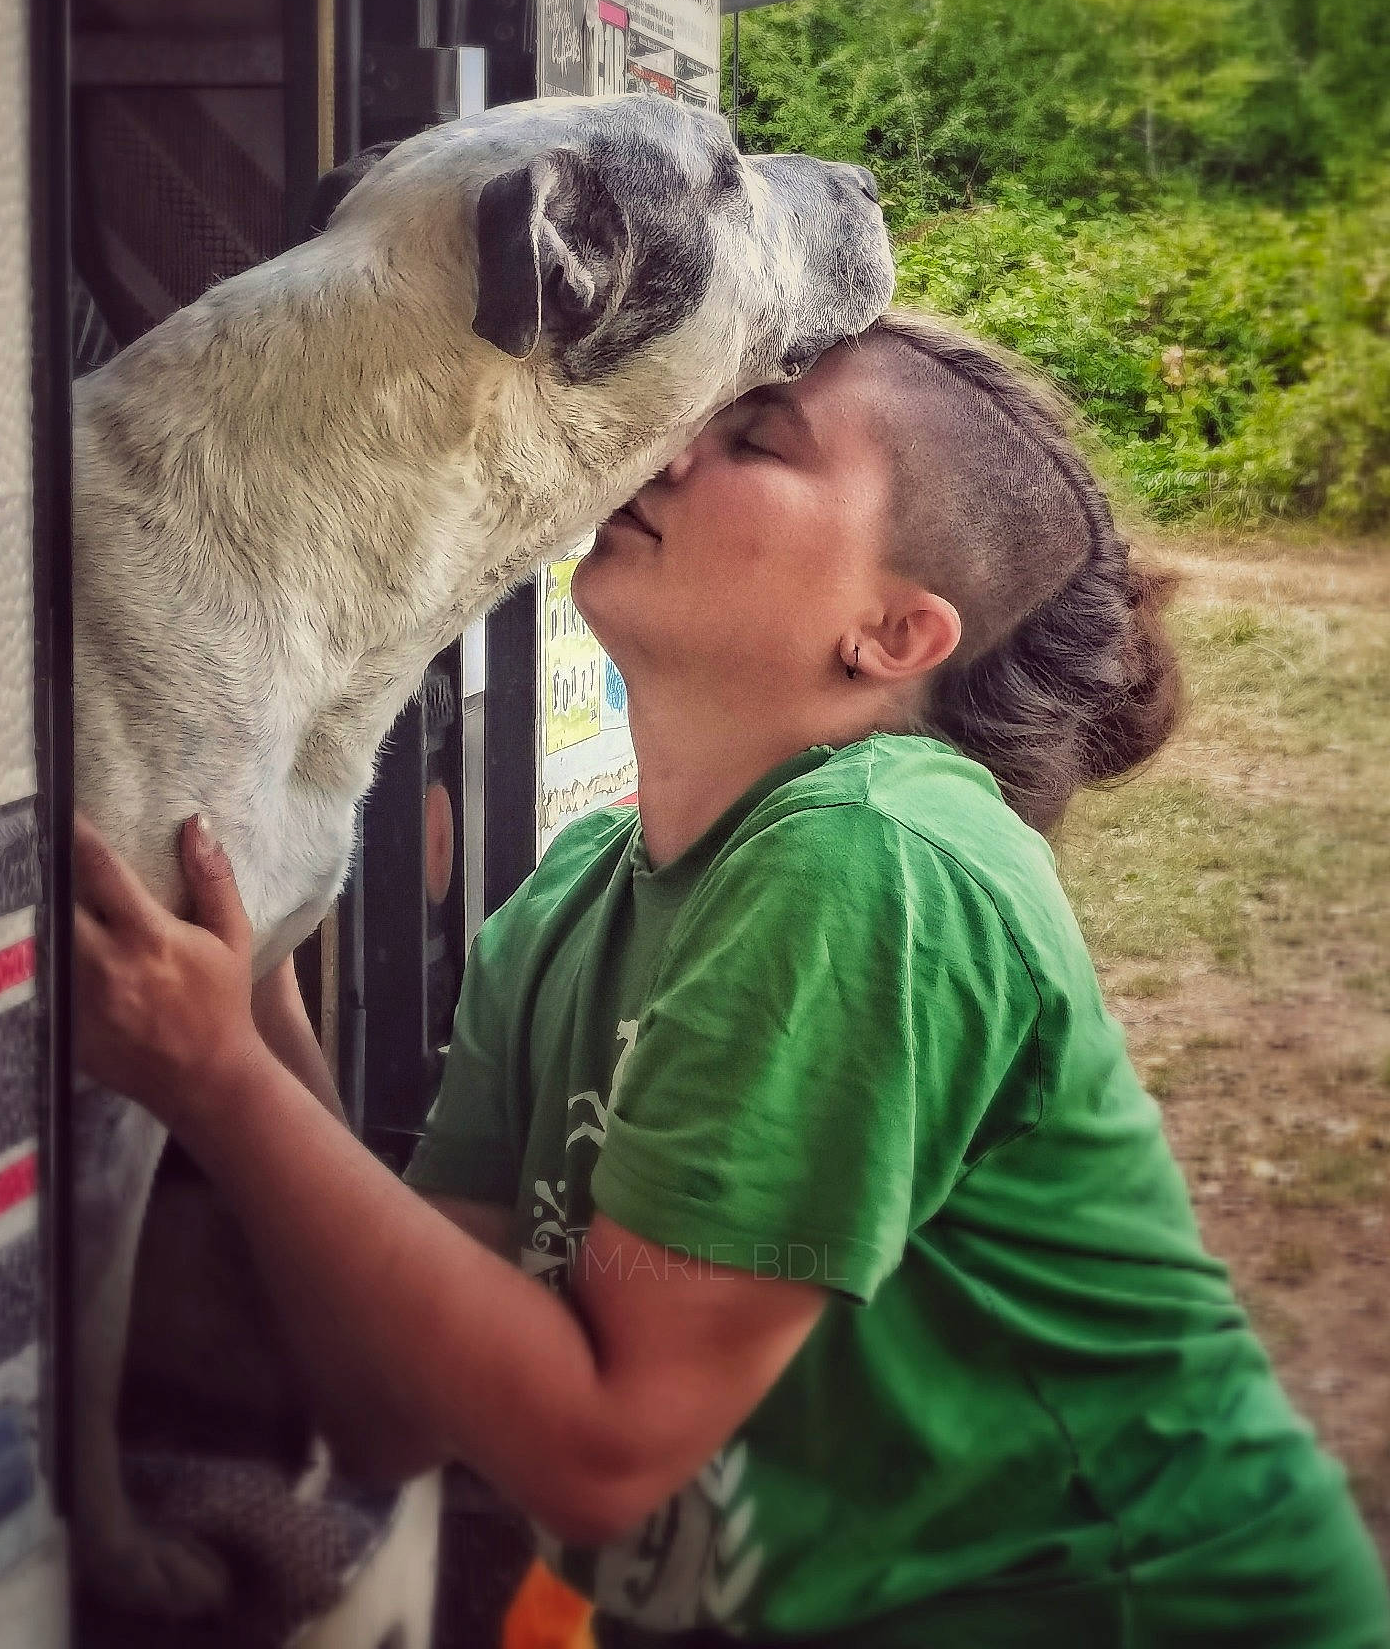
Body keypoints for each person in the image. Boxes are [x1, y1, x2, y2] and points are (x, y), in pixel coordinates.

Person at [74, 308, 1390, 1646]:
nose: (670, 445)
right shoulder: (569, 907)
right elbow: (391, 1406)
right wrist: (252, 998)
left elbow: (600, 1450)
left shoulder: (872, 862)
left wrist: (224, 1083)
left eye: (754, 438)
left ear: (894, 632)